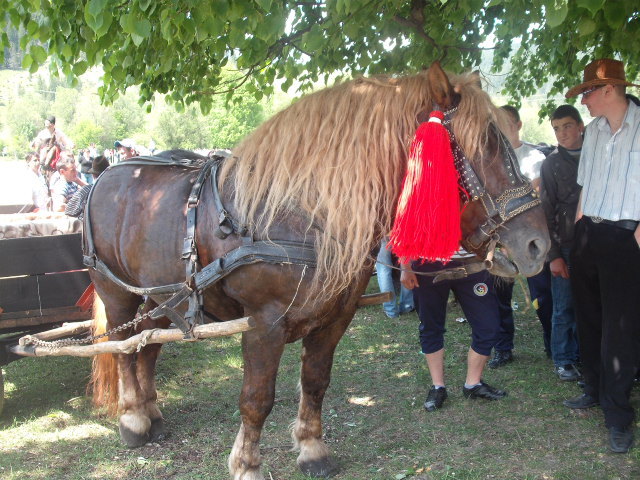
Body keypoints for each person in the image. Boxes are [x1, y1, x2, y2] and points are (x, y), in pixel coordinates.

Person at [561, 58, 640, 454]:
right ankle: (592, 388)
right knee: (587, 317)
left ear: (609, 90)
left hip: (627, 237)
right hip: (589, 233)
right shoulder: (591, 132)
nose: (584, 100)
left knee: (620, 329)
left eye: (588, 92)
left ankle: (618, 414)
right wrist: (578, 231)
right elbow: (585, 185)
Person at [401, 249, 507, 412]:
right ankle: (438, 387)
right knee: (430, 326)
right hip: (427, 263)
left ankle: (473, 384)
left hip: (472, 263)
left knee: (488, 327)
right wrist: (405, 267)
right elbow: (404, 227)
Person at [488, 106, 553, 367]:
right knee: (499, 297)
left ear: (518, 124)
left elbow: (534, 188)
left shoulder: (533, 155)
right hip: (501, 239)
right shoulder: (491, 160)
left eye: (507, 123)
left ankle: (553, 344)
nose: (503, 129)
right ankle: (503, 347)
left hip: (527, 236)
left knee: (542, 295)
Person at [539, 105, 584, 381]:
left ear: (580, 125)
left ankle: (587, 353)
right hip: (565, 245)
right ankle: (564, 359)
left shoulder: (599, 153)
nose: (562, 133)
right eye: (556, 128)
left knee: (592, 304)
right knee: (564, 305)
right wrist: (553, 255)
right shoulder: (552, 163)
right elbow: (546, 211)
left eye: (567, 125)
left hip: (596, 242)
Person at [375, 237, 414, 318]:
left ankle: (391, 311)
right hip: (402, 231)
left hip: (382, 232)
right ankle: (407, 306)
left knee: (384, 271)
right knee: (407, 266)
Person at [66, 155, 110, 219]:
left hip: (91, 227)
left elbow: (69, 210)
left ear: (93, 175)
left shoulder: (86, 191)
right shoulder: (118, 192)